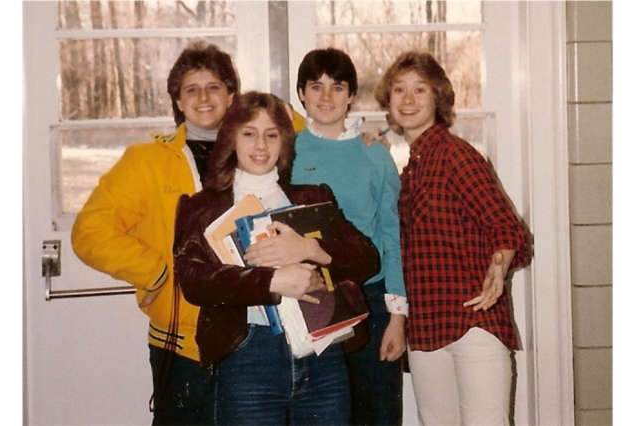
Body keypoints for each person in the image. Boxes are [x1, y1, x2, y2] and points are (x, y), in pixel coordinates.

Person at [172, 91, 381, 426]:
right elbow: (194, 282)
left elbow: (368, 258)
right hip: (248, 356)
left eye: (272, 135)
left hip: (322, 356)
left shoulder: (311, 197)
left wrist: (311, 249)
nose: (261, 146)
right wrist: (271, 282)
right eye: (249, 134)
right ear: (231, 139)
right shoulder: (204, 206)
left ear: (284, 142)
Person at [71, 41, 239, 425]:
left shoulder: (256, 149)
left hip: (252, 338)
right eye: (191, 89)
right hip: (183, 341)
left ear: (231, 94)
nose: (203, 97)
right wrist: (157, 272)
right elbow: (89, 231)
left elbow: (294, 124)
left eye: (214, 86)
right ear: (178, 101)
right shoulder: (147, 160)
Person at [374, 50, 531, 425]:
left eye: (420, 90)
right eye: (399, 90)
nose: (408, 100)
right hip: (427, 328)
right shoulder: (409, 167)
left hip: (472, 324)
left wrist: (499, 264)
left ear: (437, 99)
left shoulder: (456, 156)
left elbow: (507, 228)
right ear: (389, 100)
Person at [291, 47, 407, 426]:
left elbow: (392, 234)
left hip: (369, 302)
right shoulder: (285, 150)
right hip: (307, 298)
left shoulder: (374, 154)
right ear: (302, 93)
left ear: (352, 94)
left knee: (375, 414)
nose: (327, 97)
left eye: (337, 87)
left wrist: (397, 318)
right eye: (316, 86)